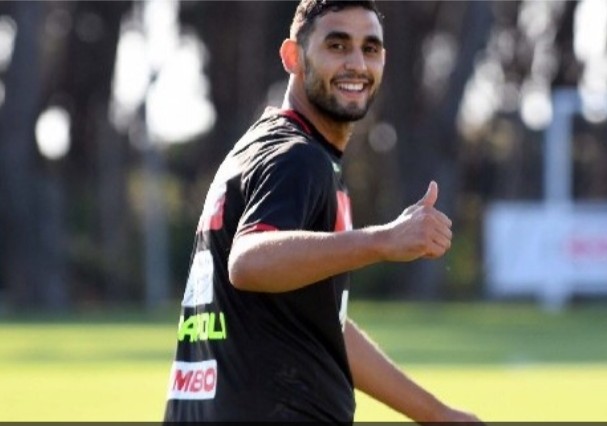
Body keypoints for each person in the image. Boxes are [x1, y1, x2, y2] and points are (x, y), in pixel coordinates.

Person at [163, 0, 481, 422]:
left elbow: (329, 327)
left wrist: (437, 414)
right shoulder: (298, 157)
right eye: (337, 45)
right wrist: (384, 239)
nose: (357, 64)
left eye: (370, 48)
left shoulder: (270, 147)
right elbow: (250, 261)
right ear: (293, 56)